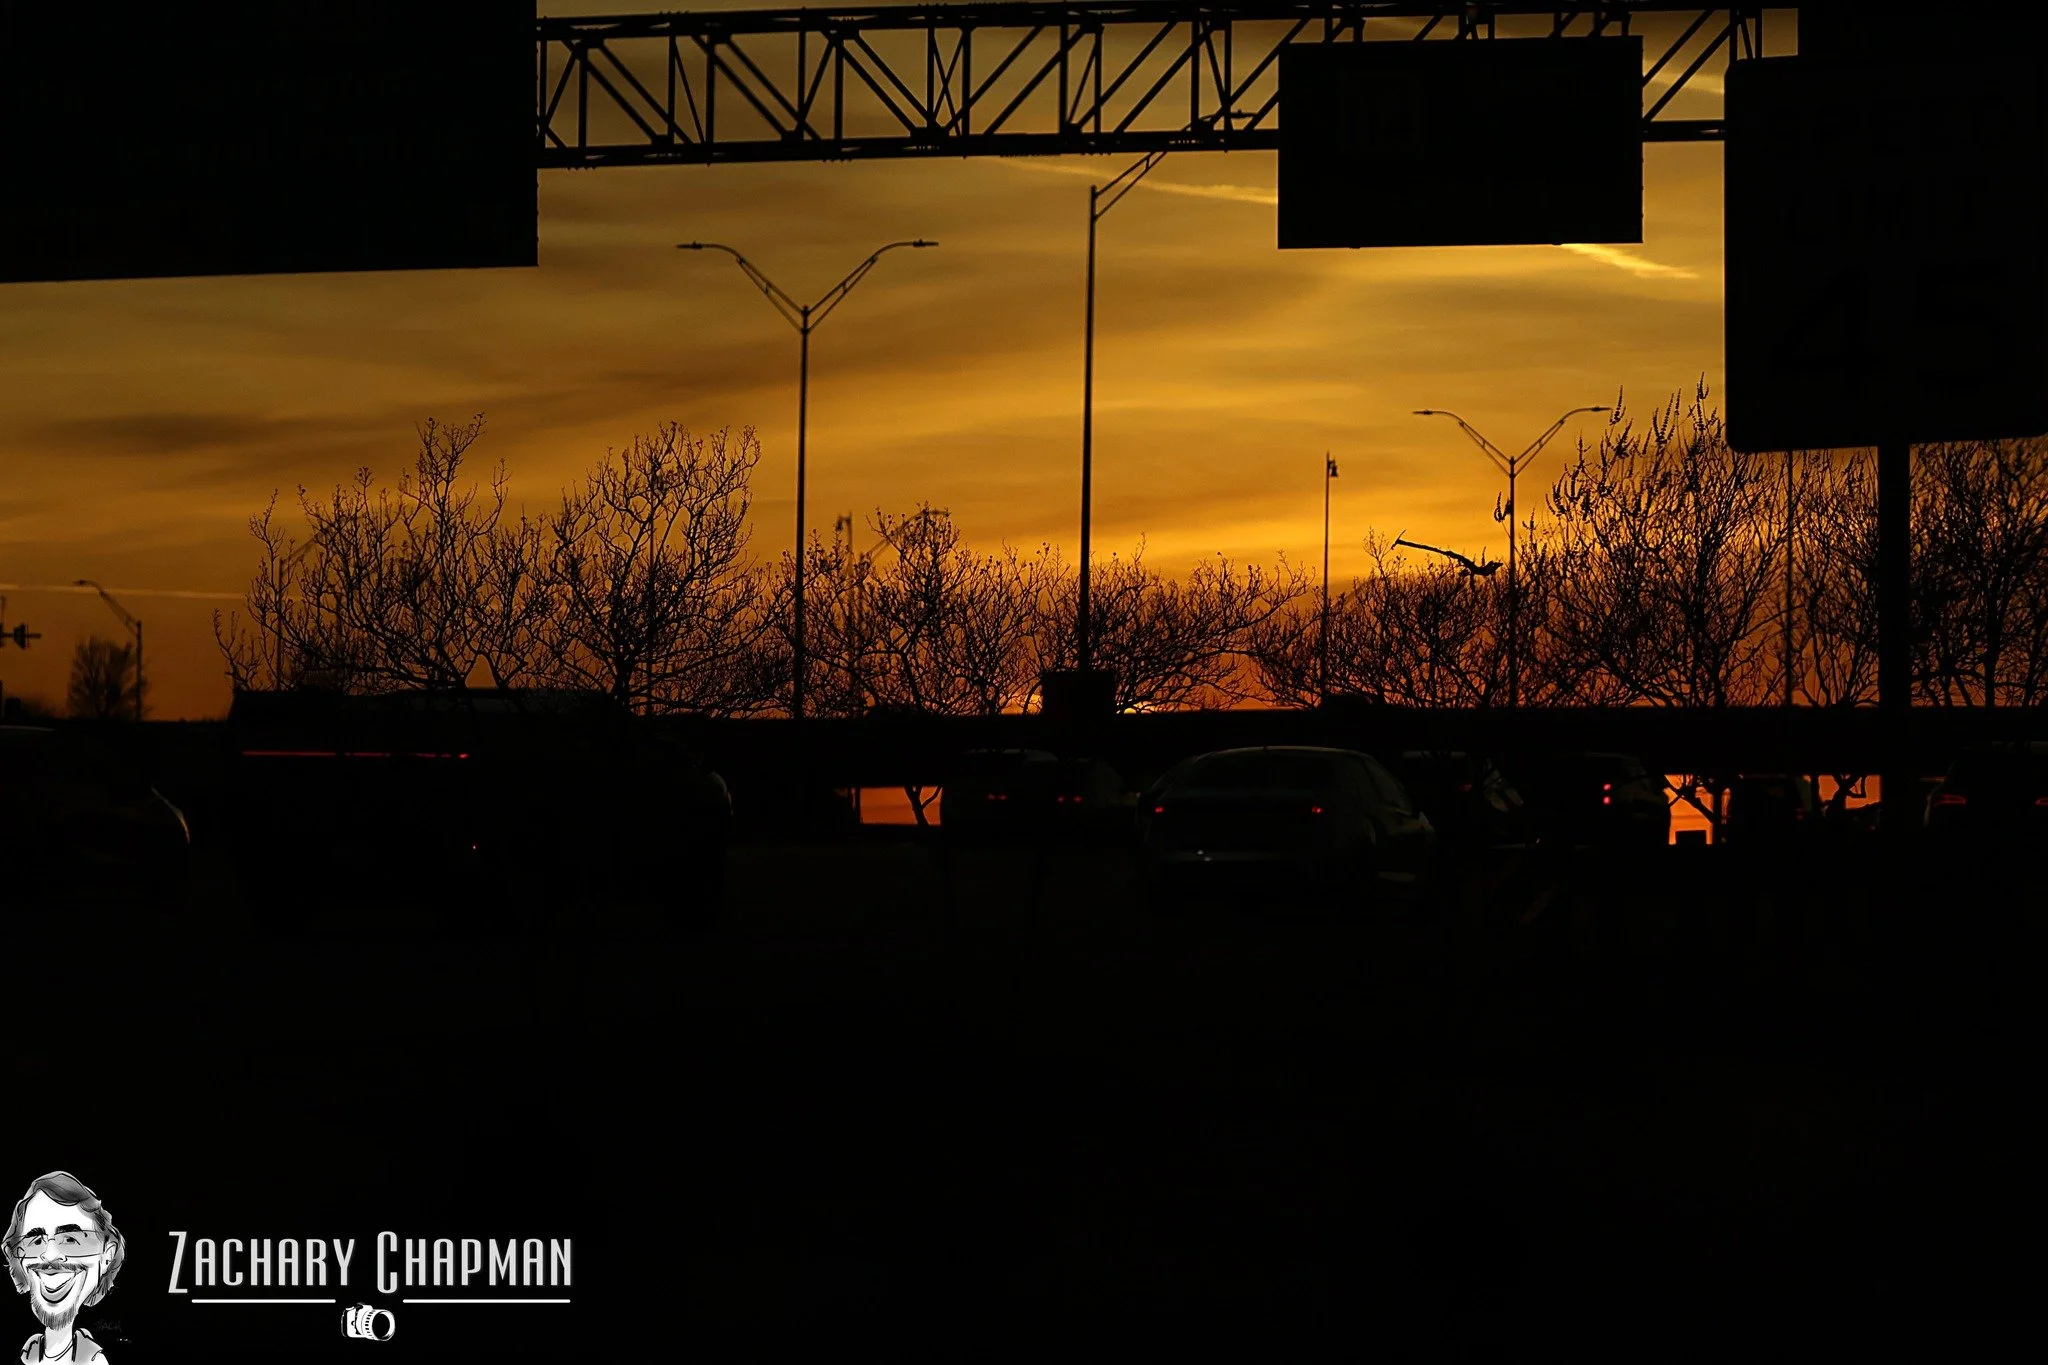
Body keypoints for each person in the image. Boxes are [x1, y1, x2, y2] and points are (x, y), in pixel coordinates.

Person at [5, 1173, 121, 1363]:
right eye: (36, 1241)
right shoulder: (27, 1351)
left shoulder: (93, 1360)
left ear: (106, 1255)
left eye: (70, 1239)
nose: (49, 1255)